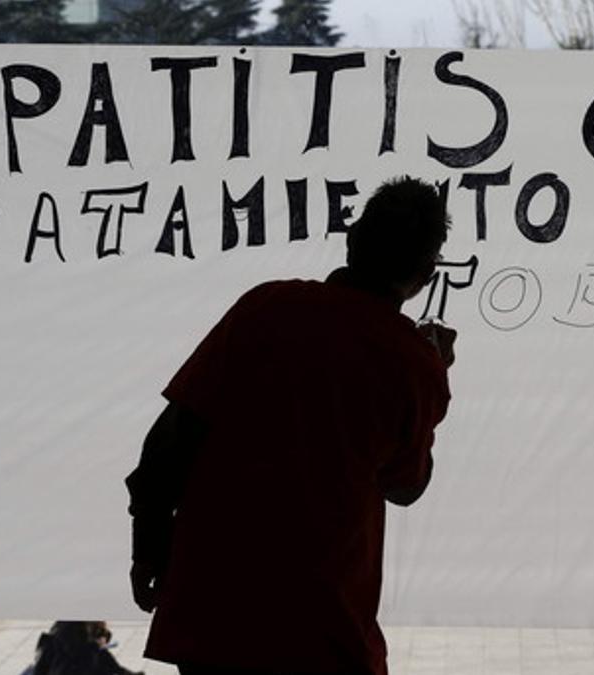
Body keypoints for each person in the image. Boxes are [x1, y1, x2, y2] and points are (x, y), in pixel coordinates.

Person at [125, 176, 456, 675]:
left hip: (214, 615)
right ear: (426, 274)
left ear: (352, 240)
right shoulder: (412, 362)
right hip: (322, 629)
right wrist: (432, 372)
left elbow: (168, 444)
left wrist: (148, 550)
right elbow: (406, 485)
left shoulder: (265, 308)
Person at [23, 621, 143, 675]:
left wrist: (102, 636)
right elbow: (79, 657)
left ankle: (122, 672)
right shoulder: (70, 629)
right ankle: (122, 672)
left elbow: (102, 639)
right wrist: (96, 645)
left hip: (76, 664)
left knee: (101, 654)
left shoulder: (86, 626)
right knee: (99, 655)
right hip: (65, 669)